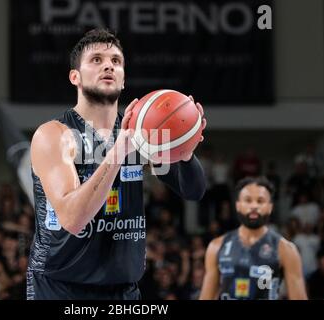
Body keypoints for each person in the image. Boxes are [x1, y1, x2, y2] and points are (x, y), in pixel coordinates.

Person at [27, 28, 206, 300]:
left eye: (116, 61)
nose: (108, 65)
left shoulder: (140, 132)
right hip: (61, 288)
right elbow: (74, 220)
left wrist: (185, 157)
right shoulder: (54, 135)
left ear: (123, 80)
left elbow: (193, 192)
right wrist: (117, 153)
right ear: (75, 76)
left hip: (123, 290)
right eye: (96, 60)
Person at [199, 176, 308, 300]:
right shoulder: (216, 246)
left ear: (270, 207)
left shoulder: (286, 249)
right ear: (238, 205)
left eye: (260, 201)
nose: (254, 206)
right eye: (248, 200)